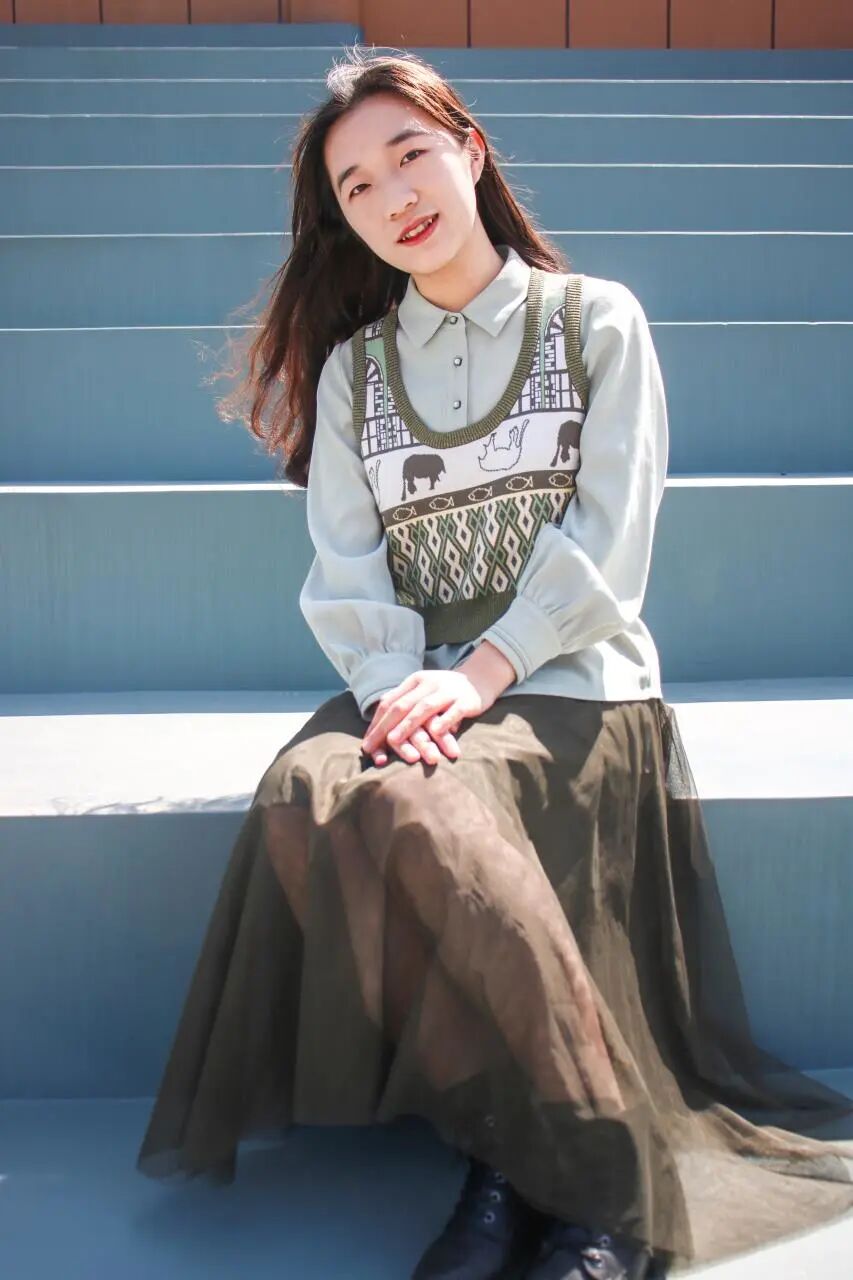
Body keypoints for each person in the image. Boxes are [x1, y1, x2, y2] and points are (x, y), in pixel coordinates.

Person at [135, 45, 853, 1280]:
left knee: (422, 804)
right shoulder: (358, 371)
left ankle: (598, 1188)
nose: (393, 196)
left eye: (409, 154)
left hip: (571, 676)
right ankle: (516, 1154)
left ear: (469, 151)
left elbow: (609, 545)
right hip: (409, 674)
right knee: (311, 789)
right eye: (357, 187)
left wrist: (479, 677)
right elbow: (346, 573)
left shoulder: (596, 321)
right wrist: (399, 694)